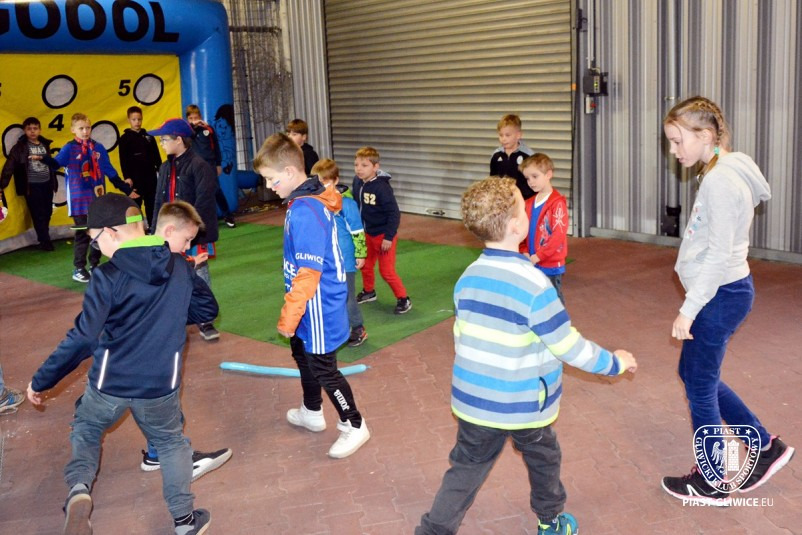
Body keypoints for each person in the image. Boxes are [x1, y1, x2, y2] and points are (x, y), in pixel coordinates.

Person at [416, 177, 637, 535]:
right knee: (544, 458)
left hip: (474, 402)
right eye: (524, 207)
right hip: (524, 407)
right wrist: (614, 363)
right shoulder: (534, 284)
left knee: (466, 467)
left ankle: (433, 530)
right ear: (517, 226)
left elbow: (463, 336)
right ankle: (550, 522)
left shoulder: (468, 277)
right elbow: (567, 345)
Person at [26, 193, 216, 535]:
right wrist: (173, 306)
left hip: (110, 382)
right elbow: (206, 310)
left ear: (112, 232)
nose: (96, 247)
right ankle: (184, 522)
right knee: (171, 443)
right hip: (160, 384)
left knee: (87, 428)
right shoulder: (178, 265)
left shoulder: (107, 275)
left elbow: (83, 338)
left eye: (95, 240)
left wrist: (41, 381)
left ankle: (79, 489)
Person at [660, 96, 794, 505]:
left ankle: (712, 479)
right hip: (724, 291)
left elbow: (719, 255)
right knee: (694, 373)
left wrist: (688, 309)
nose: (674, 150)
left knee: (700, 385)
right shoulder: (724, 169)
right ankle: (764, 446)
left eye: (678, 141)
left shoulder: (720, 180)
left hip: (720, 294)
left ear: (705, 136)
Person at [254, 133, 370, 458]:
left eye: (272, 179)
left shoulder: (305, 210)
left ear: (290, 172)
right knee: (302, 354)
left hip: (318, 303)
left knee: (323, 367)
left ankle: (355, 424)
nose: (269, 187)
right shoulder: (302, 201)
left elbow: (309, 271)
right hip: (308, 302)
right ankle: (312, 410)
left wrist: (289, 315)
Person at [135, 200, 232, 480]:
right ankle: (179, 460)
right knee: (164, 405)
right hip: (155, 350)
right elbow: (207, 310)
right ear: (168, 231)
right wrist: (189, 273)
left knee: (155, 402)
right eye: (187, 240)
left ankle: (156, 454)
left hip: (146, 348)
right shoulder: (171, 264)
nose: (188, 246)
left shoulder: (140, 257)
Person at [40, 113, 136, 282]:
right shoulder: (69, 148)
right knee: (83, 234)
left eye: (88, 128)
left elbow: (110, 171)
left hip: (97, 199)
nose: (85, 131)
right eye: (81, 128)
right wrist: (44, 158)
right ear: (73, 130)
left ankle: (95, 265)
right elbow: (56, 164)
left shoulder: (98, 148)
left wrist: (126, 190)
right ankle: (78, 268)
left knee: (99, 233)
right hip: (78, 200)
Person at [150, 118, 221, 342]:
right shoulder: (164, 167)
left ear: (179, 140)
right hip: (169, 233)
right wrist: (154, 230)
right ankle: (173, 318)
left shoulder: (200, 166)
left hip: (193, 232)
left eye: (164, 139)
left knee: (199, 271)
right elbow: (158, 201)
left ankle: (205, 320)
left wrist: (191, 231)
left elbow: (204, 201)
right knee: (169, 271)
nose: (162, 144)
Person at [311, 158, 369, 347]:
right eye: (318, 183)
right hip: (326, 259)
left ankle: (358, 327)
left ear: (335, 180)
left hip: (345, 259)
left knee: (347, 297)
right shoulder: (317, 203)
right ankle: (336, 328)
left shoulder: (347, 204)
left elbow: (357, 231)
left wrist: (360, 254)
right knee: (328, 295)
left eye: (325, 182)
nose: (321, 187)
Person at [351, 146, 412, 314]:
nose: (359, 169)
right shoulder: (357, 182)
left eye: (364, 165)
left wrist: (388, 237)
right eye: (356, 165)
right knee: (365, 265)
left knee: (386, 271)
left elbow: (394, 213)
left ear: (375, 167)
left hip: (383, 236)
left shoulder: (381, 187)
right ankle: (369, 291)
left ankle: (403, 299)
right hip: (366, 233)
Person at [0, 117, 58, 251]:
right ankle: (45, 240)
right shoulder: (20, 148)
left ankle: (44, 236)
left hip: (47, 183)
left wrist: (54, 183)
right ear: (24, 131)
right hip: (31, 186)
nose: (32, 131)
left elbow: (51, 164)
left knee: (48, 211)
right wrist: (2, 184)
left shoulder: (45, 145)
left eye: (35, 128)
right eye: (29, 129)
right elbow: (9, 166)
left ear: (40, 130)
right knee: (38, 213)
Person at [518, 153, 569, 304]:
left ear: (548, 175)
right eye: (527, 178)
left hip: (550, 263)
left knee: (553, 300)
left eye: (535, 176)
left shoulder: (557, 203)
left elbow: (558, 235)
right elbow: (523, 230)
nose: (531, 182)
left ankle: (559, 319)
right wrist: (524, 250)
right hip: (532, 261)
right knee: (535, 298)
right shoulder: (528, 203)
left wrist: (540, 255)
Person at [186, 104, 236, 229]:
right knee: (197, 192)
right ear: (187, 119)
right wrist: (192, 126)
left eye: (196, 118)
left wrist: (218, 164)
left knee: (216, 190)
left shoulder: (208, 129)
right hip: (194, 165)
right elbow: (187, 139)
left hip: (210, 164)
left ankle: (227, 215)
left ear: (200, 117)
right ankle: (200, 219)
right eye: (191, 118)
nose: (194, 121)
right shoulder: (187, 132)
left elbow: (216, 148)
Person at [119, 105, 162, 228]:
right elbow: (123, 160)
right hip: (135, 179)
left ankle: (153, 228)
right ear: (129, 120)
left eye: (139, 119)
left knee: (152, 204)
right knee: (135, 205)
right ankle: (136, 229)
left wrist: (161, 171)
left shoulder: (149, 137)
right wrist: (127, 177)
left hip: (150, 178)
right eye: (134, 119)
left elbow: (157, 156)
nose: (137, 122)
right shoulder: (124, 139)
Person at [490, 114, 535, 199]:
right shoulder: (496, 155)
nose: (503, 139)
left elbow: (534, 180)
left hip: (523, 200)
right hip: (501, 200)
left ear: (518, 135)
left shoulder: (528, 155)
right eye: (501, 135)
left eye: (507, 135)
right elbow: (492, 179)